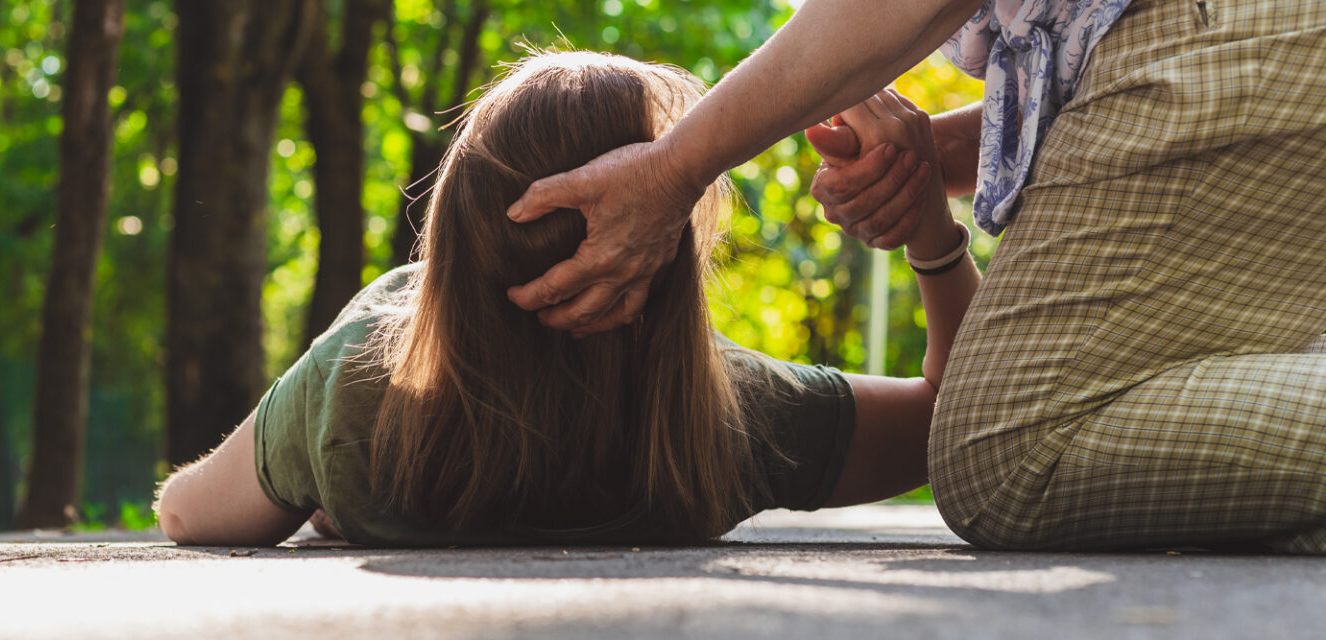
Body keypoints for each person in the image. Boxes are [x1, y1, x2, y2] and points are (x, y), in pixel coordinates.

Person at [508, 0, 1326, 552]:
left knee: (1007, 457)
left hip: (1228, 42)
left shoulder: (377, 414)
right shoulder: (739, 425)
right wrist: (926, 167)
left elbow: (958, 426)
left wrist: (677, 166)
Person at [152, 51, 979, 546]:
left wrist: (329, 468)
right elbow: (959, 423)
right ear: (662, 256)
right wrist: (932, 237)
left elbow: (187, 515)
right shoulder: (729, 420)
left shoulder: (357, 394)